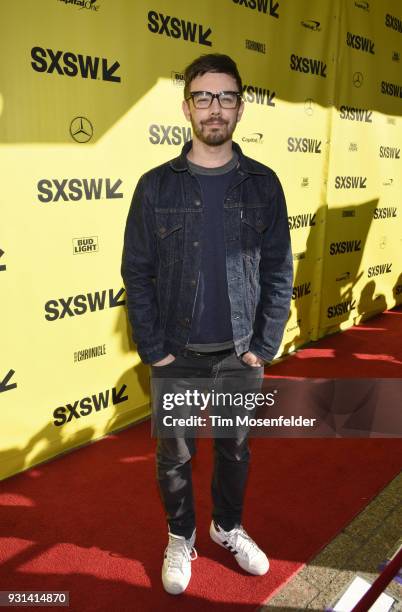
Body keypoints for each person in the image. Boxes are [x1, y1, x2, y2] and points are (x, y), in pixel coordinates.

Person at [121, 53, 293, 595]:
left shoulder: (264, 184)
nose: (213, 108)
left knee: (235, 447)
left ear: (240, 108)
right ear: (186, 106)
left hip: (240, 353)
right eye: (203, 96)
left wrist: (262, 346)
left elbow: (278, 270)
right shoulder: (155, 187)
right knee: (173, 453)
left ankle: (227, 526)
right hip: (176, 353)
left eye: (225, 97)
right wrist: (156, 351)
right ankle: (181, 534)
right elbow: (138, 274)